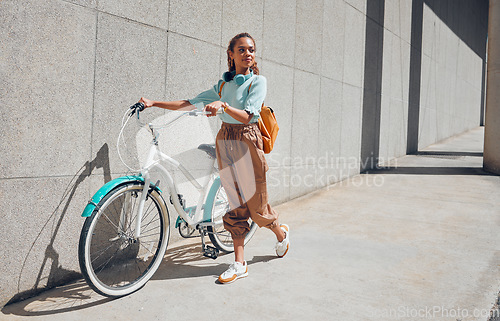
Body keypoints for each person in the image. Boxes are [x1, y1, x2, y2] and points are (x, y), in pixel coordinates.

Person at [138, 32, 289, 284]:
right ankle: (239, 263)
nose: (247, 54)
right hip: (225, 140)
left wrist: (224, 107)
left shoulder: (257, 82)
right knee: (236, 204)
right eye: (241, 50)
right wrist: (154, 103)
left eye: (251, 49)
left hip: (248, 140)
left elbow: (249, 116)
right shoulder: (222, 85)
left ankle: (281, 233)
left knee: (258, 208)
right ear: (231, 54)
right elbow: (190, 103)